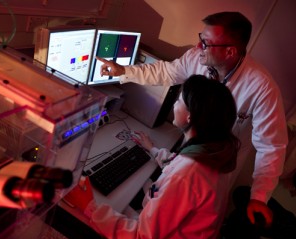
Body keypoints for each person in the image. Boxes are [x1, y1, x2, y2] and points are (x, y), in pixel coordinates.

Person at [96, 11, 288, 226]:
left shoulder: (262, 87)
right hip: (188, 154)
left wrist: (259, 197)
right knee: (163, 205)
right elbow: (166, 72)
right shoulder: (197, 58)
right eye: (200, 38)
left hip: (217, 168)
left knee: (179, 217)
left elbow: (271, 146)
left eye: (205, 43)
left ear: (230, 51)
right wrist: (124, 71)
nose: (197, 48)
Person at [64, 75, 240, 239]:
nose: (174, 105)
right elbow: (177, 166)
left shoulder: (187, 175)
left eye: (178, 100)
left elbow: (142, 236)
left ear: (189, 116)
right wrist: (153, 149)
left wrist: (89, 207)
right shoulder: (215, 153)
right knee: (120, 205)